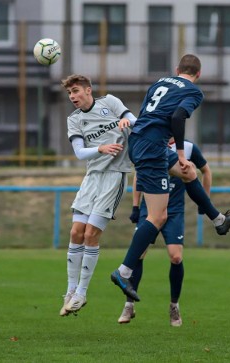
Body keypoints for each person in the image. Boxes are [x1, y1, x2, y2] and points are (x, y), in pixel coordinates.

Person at [110, 54, 230, 302]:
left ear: (176, 70)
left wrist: (167, 139)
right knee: (158, 216)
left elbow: (150, 114)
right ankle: (123, 272)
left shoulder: (160, 82)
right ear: (199, 74)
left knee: (189, 172)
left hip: (143, 140)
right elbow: (176, 117)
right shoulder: (194, 91)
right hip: (152, 147)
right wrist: (181, 152)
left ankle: (218, 220)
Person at [59, 74, 137, 316]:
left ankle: (82, 292)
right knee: (75, 232)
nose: (72, 96)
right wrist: (101, 148)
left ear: (88, 90)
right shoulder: (74, 120)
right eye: (69, 93)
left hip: (114, 177)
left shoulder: (110, 103)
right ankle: (70, 290)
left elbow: (134, 120)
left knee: (91, 234)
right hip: (91, 178)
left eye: (75, 91)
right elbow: (80, 154)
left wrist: (127, 123)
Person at [118, 138, 211, 326]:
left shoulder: (189, 148)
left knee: (176, 257)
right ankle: (129, 305)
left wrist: (205, 201)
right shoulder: (152, 142)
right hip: (150, 208)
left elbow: (206, 171)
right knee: (139, 254)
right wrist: (136, 207)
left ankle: (174, 306)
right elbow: (139, 175)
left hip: (174, 210)